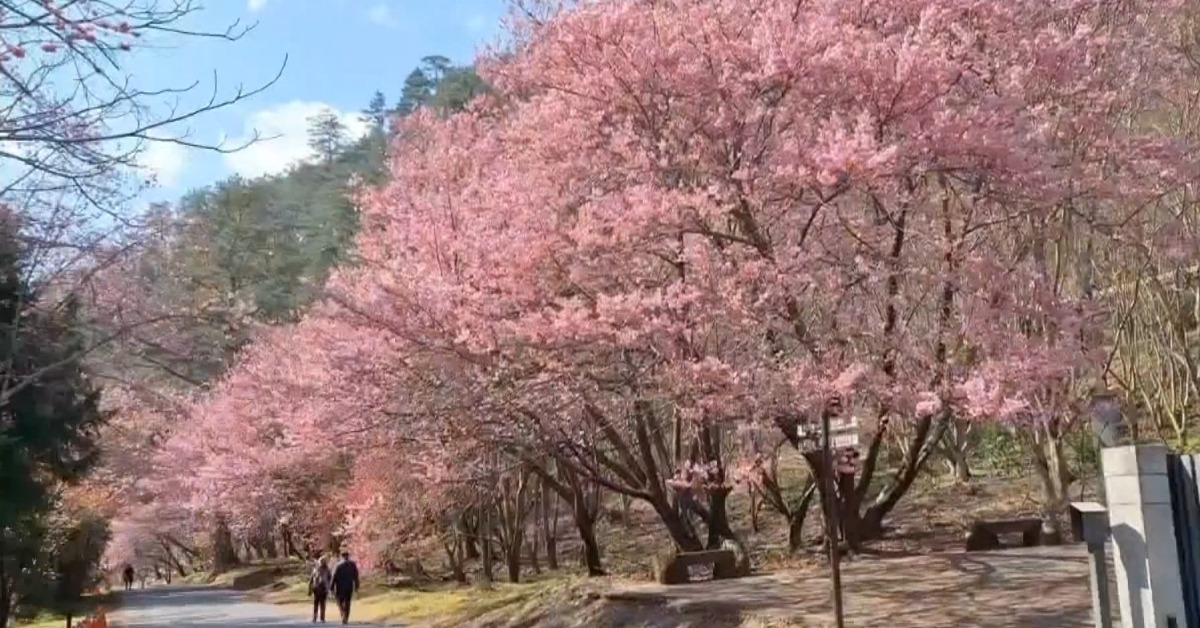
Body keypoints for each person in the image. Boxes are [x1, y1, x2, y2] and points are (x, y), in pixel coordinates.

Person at [330, 552, 360, 625]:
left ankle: (343, 615)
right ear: (348, 556)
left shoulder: (338, 566)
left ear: (342, 557)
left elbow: (334, 576)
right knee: (347, 603)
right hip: (349, 586)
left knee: (340, 602)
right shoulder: (352, 565)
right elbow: (356, 577)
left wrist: (331, 587)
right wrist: (356, 586)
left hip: (340, 587)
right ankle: (345, 617)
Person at [308, 557, 333, 623]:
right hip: (319, 589)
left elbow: (330, 579)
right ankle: (318, 618)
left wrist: (309, 589)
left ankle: (318, 618)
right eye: (322, 561)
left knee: (319, 604)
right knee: (320, 604)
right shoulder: (322, 569)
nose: (322, 563)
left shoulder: (320, 569)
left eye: (323, 561)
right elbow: (311, 580)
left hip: (320, 589)